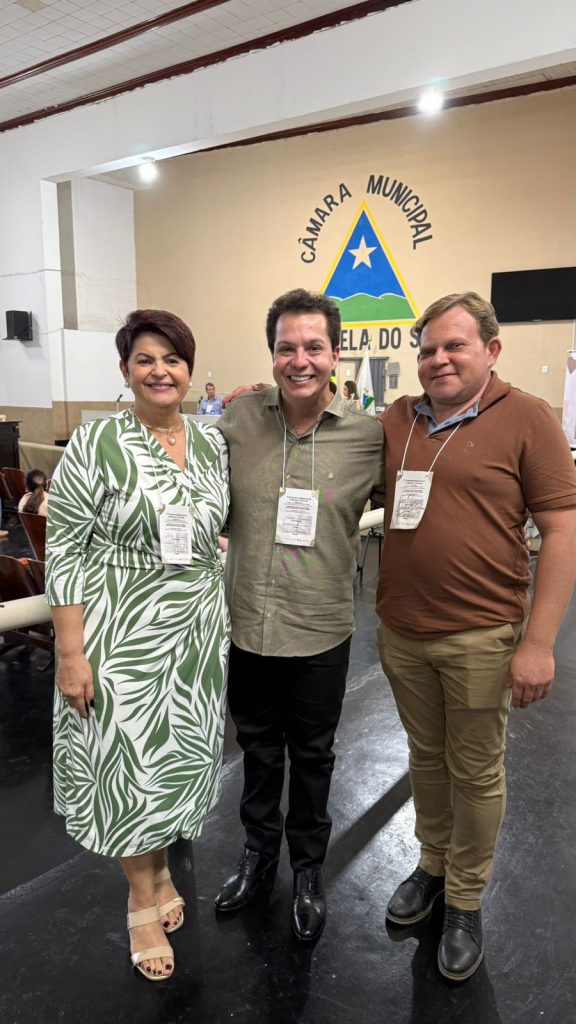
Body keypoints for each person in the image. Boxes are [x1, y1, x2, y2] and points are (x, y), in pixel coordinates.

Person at [376, 292, 576, 981]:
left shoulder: (528, 417)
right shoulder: (399, 419)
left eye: (454, 345)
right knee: (426, 759)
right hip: (402, 632)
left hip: (483, 637)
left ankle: (464, 899)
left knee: (477, 770)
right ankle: (432, 866)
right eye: (427, 349)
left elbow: (562, 530)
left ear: (491, 350)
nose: (438, 359)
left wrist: (538, 644)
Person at [45, 309, 230, 982]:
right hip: (121, 631)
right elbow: (65, 547)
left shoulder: (209, 443)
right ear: (125, 370)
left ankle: (159, 871)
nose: (160, 371)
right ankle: (140, 897)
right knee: (129, 766)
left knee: (172, 764)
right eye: (145, 359)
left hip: (196, 633)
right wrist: (71, 652)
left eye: (172, 359)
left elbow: (217, 524)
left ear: (189, 369)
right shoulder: (98, 441)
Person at [214, 288, 386, 941]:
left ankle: (308, 870)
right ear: (272, 355)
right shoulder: (238, 420)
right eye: (287, 347)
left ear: (335, 354)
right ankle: (258, 856)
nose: (300, 360)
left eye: (314, 346)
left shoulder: (369, 436)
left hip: (321, 630)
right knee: (258, 752)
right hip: (249, 625)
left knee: (314, 758)